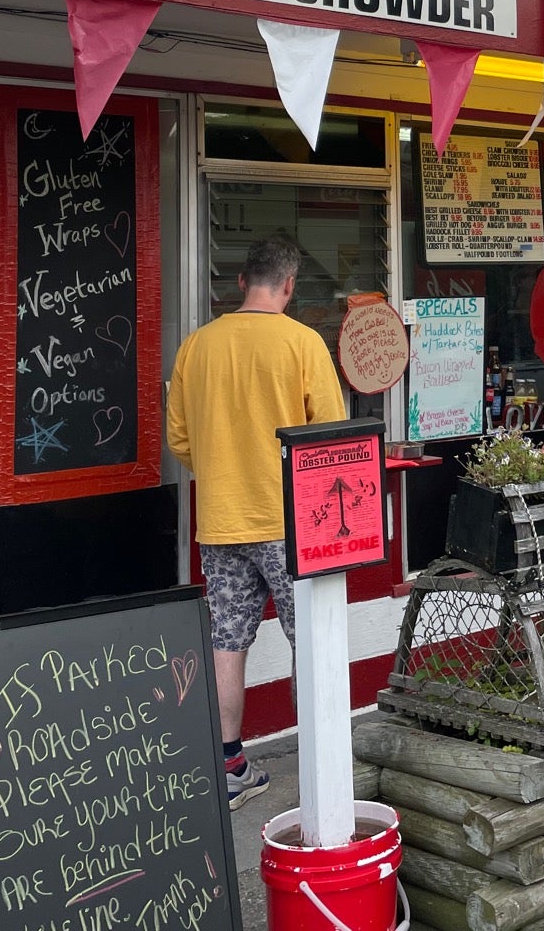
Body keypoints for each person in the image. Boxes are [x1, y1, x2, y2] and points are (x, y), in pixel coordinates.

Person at [167, 235, 345, 811]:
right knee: (310, 638)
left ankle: (231, 765)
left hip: (220, 520)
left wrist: (221, 471)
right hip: (292, 522)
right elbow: (331, 438)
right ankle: (321, 763)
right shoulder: (303, 343)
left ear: (242, 282)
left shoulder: (196, 347)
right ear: (289, 286)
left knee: (226, 640)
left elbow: (179, 440)